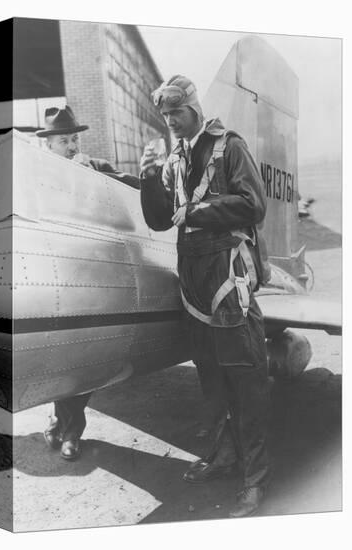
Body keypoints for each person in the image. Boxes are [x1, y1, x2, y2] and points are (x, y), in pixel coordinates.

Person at [139, 75, 271, 518]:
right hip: (193, 276)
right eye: (166, 115)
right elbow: (160, 222)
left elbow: (254, 205)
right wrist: (148, 177)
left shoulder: (228, 145)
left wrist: (196, 210)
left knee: (245, 380)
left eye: (177, 111)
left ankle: (255, 480)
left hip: (228, 275)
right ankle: (223, 457)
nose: (172, 121)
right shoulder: (174, 158)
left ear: (194, 107)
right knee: (210, 378)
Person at [36, 106, 139, 460]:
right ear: (48, 144)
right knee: (60, 356)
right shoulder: (36, 176)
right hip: (56, 276)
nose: (70, 145)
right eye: (63, 140)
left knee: (82, 358)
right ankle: (59, 423)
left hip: (94, 277)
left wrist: (89, 182)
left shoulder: (94, 167)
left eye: (74, 138)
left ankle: (68, 431)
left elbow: (133, 190)